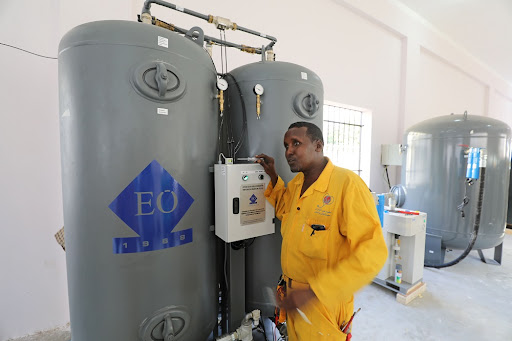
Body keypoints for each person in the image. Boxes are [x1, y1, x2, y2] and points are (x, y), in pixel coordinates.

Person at [255, 121, 387, 340]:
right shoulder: (297, 184)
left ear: (318, 146)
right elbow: (285, 211)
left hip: (323, 303)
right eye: (286, 145)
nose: (289, 151)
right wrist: (274, 177)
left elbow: (372, 254)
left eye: (296, 143)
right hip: (293, 298)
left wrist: (313, 292)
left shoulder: (347, 185)